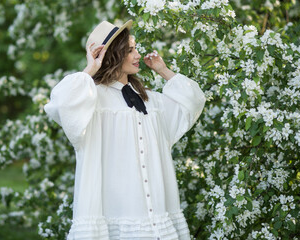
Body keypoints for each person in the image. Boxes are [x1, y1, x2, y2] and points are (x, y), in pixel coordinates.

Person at [44, 19, 206, 240]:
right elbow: (60, 103)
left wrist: (163, 70)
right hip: (115, 218)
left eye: (136, 48)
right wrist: (91, 68)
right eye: (130, 50)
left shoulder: (152, 102)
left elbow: (193, 101)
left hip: (157, 221)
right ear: (113, 55)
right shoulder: (91, 100)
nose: (138, 54)